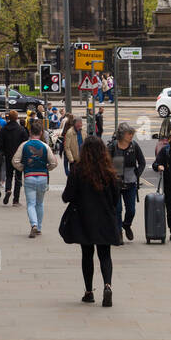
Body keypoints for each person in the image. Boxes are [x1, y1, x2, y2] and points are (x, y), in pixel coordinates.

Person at [62, 136, 121, 306]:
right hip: (104, 219)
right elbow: (115, 199)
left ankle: (89, 292)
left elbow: (67, 196)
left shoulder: (78, 170)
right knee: (105, 255)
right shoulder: (109, 171)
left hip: (84, 219)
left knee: (87, 255)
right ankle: (107, 286)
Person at [14, 118, 58, 237]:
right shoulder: (45, 146)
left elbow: (15, 161)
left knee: (31, 203)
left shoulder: (24, 145)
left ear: (30, 132)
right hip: (43, 177)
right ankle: (39, 227)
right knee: (40, 203)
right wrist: (46, 168)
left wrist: (23, 168)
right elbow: (54, 162)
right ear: (40, 133)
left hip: (29, 176)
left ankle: (33, 224)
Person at [107, 121, 147, 243]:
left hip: (130, 183)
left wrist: (136, 174)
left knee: (131, 210)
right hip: (115, 183)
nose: (131, 136)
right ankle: (118, 232)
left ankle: (127, 224)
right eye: (129, 134)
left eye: (131, 133)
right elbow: (105, 163)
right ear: (122, 135)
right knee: (117, 209)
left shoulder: (134, 146)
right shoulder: (112, 147)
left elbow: (142, 162)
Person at [0, 109, 28, 206]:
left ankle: (8, 189)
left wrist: (3, 153)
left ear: (9, 118)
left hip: (8, 156)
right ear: (17, 118)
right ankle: (16, 200)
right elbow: (25, 144)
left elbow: (0, 144)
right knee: (18, 178)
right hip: (19, 157)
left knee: (9, 175)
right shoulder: (21, 129)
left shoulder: (4, 129)